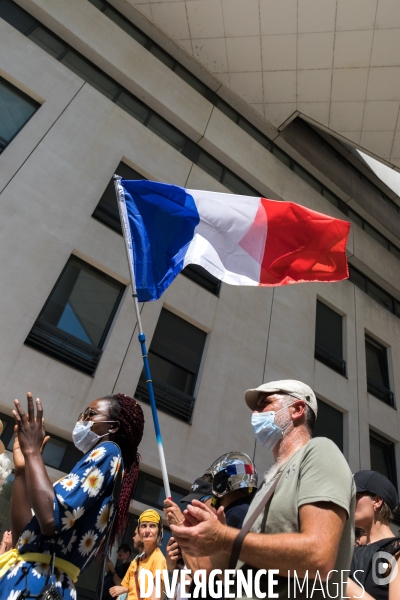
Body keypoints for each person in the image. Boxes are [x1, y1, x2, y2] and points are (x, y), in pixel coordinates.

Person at [171, 379, 356, 599]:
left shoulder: (320, 451)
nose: (255, 414)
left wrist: (224, 538)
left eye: (264, 404)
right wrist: (211, 542)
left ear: (297, 409)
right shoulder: (267, 484)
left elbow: (319, 557)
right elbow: (232, 581)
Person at [0, 392, 144, 600]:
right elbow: (23, 538)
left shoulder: (109, 451)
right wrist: (22, 471)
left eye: (91, 414)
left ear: (113, 427)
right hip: (26, 581)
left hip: (38, 586)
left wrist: (32, 451)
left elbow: (50, 518)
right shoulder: (94, 468)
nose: (82, 420)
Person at [347, 470, 400, 599]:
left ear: (377, 501)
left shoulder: (396, 552)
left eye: (354, 496)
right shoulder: (349, 552)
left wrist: (339, 580)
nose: (347, 502)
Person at [110, 509, 167, 600]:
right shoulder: (136, 562)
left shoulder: (158, 559)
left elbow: (155, 597)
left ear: (160, 530)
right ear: (139, 530)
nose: (147, 530)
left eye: (152, 526)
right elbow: (124, 592)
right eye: (144, 526)